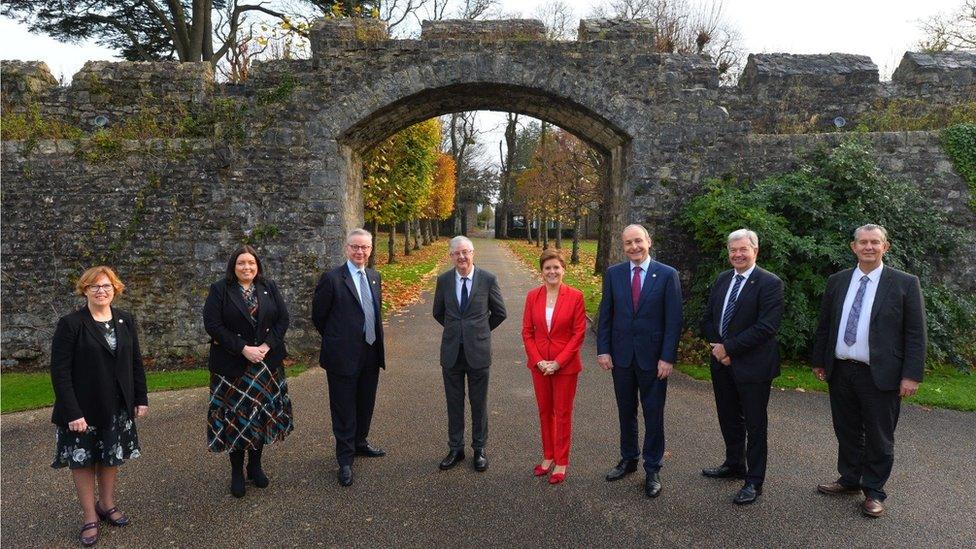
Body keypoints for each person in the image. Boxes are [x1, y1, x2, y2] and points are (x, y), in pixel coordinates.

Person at [811, 224, 926, 518]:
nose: (869, 247)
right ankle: (850, 479)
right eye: (863, 242)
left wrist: (911, 375)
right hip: (841, 370)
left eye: (875, 242)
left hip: (881, 374)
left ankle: (874, 491)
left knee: (879, 436)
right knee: (846, 430)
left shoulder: (904, 283)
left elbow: (915, 333)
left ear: (885, 247)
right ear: (853, 247)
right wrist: (819, 360)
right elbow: (825, 324)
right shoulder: (837, 281)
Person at [50, 266, 148, 547]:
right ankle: (90, 515)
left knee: (110, 457)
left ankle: (106, 504)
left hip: (116, 406)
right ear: (85, 290)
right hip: (82, 409)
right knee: (83, 461)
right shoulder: (71, 324)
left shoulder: (126, 320)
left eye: (106, 286)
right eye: (94, 287)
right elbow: (60, 371)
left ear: (115, 289)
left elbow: (134, 363)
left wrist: (140, 398)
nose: (101, 291)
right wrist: (72, 413)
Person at [699, 229, 784, 505]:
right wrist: (718, 348)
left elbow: (766, 327)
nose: (737, 254)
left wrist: (729, 348)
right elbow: (709, 317)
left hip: (754, 366)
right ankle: (734, 464)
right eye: (732, 250)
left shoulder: (770, 283)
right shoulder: (723, 279)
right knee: (728, 417)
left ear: (755, 251)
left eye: (743, 249)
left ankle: (754, 481)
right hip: (722, 363)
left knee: (755, 425)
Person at [597, 224, 682, 499]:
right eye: (628, 244)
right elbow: (606, 315)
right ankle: (628, 458)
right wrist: (603, 350)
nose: (633, 247)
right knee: (626, 411)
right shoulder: (614, 274)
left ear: (648, 241)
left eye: (638, 241)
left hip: (654, 360)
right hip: (621, 357)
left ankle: (653, 468)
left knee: (653, 414)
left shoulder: (668, 275)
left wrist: (667, 357)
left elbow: (673, 321)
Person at [204, 245, 293, 498]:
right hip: (233, 366)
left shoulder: (269, 287)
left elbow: (283, 320)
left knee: (260, 414)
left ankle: (255, 467)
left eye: (251, 263)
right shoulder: (220, 290)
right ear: (234, 266)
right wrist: (243, 349)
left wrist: (265, 346)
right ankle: (236, 472)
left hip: (265, 364)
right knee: (236, 418)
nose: (247, 267)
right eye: (242, 263)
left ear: (258, 265)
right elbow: (212, 324)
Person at [312, 229, 387, 487]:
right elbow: (319, 317)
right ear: (346, 248)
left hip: (370, 352)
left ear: (371, 249)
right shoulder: (332, 279)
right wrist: (339, 339)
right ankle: (344, 460)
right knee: (344, 408)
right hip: (342, 356)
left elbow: (375, 314)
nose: (360, 252)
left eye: (364, 247)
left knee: (365, 403)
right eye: (355, 247)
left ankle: (360, 442)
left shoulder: (375, 277)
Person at [432, 236, 507, 472]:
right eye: (457, 253)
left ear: (473, 253)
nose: (462, 257)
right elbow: (438, 312)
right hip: (452, 352)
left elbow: (499, 312)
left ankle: (480, 449)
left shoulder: (487, 279)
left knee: (479, 403)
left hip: (478, 351)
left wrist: (479, 331)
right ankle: (456, 448)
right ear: (451, 256)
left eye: (466, 252)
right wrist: (457, 330)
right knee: (453, 403)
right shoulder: (444, 280)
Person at [521, 248, 586, 484]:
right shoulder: (532, 296)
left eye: (556, 267)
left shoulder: (576, 296)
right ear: (541, 271)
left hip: (565, 366)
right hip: (539, 365)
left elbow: (578, 334)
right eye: (547, 268)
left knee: (562, 413)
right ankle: (548, 455)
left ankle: (561, 461)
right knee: (544, 411)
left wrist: (557, 362)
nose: (552, 271)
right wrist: (539, 360)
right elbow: (527, 332)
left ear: (563, 270)